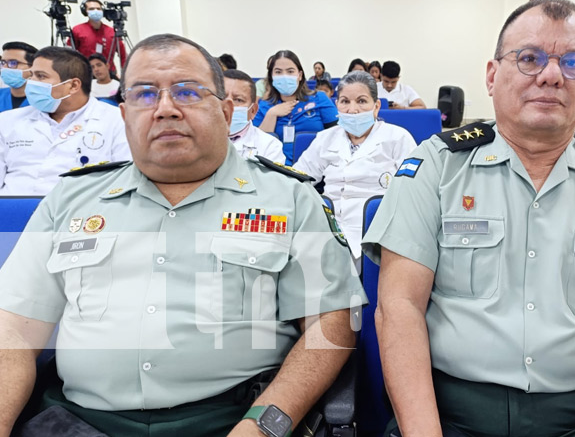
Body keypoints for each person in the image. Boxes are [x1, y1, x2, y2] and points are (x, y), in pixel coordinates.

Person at [0, 33, 366, 437]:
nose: (165, 109)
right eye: (143, 95)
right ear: (123, 116)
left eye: (188, 93)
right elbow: (12, 330)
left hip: (233, 420)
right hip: (78, 420)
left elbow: (330, 324)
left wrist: (265, 425)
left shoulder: (289, 198)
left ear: (227, 112)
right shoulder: (72, 198)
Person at [363, 0, 575, 437]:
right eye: (529, 58)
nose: (552, 75)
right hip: (450, 409)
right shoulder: (438, 167)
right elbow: (399, 308)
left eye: (573, 62)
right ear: (491, 75)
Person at [295, 71, 415, 266]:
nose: (352, 110)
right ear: (337, 106)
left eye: (361, 101)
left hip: (378, 229)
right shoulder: (325, 138)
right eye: (344, 101)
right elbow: (299, 178)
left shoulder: (398, 137)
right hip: (328, 227)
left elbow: (415, 188)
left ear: (376, 107)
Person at [0, 46, 131, 195]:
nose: (31, 82)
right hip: (12, 212)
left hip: (83, 212)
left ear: (73, 85)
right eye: (31, 75)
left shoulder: (116, 121)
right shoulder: (6, 121)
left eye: (41, 76)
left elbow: (123, 182)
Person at [253, 50, 338, 165]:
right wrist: (272, 114)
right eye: (278, 72)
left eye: (290, 71)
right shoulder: (264, 105)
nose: (284, 76)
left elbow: (337, 136)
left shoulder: (319, 98)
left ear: (300, 75)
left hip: (315, 170)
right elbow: (257, 146)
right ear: (271, 77)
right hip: (276, 172)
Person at [224, 68, 285, 163]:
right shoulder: (197, 139)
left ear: (253, 111)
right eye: (222, 97)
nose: (228, 104)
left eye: (238, 100)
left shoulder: (270, 147)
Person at [71, 0, 127, 73]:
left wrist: (126, 73)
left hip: (109, 72)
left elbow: (123, 54)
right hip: (87, 72)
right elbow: (70, 53)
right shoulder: (78, 30)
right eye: (91, 9)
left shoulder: (112, 31)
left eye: (98, 8)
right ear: (85, 11)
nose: (96, 11)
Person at [0, 41, 37, 112]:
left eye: (13, 63)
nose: (5, 67)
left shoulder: (42, 101)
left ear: (32, 67)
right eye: (3, 62)